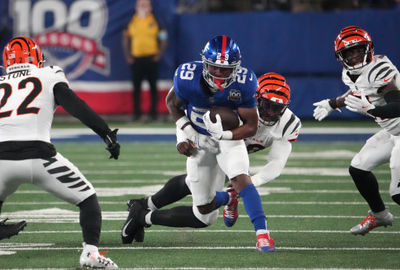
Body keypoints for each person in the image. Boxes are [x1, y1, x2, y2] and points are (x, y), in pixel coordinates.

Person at [122, 35, 277, 252]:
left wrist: (224, 136)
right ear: (205, 63)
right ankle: (143, 216)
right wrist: (187, 135)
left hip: (228, 138)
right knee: (204, 213)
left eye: (226, 69)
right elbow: (172, 105)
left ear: (236, 66)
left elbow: (250, 126)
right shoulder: (187, 76)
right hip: (198, 138)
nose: (220, 74)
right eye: (215, 68)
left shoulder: (244, 81)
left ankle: (263, 235)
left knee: (242, 179)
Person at [122, 72, 300, 242]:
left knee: (201, 192)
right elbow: (194, 114)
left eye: (277, 108)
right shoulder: (236, 102)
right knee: (203, 210)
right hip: (211, 144)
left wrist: (251, 182)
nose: (270, 113)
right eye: (266, 105)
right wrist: (183, 138)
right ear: (255, 97)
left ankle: (143, 207)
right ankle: (142, 214)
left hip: (233, 154)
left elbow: (277, 163)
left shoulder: (288, 124)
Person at [0, 37, 120, 268]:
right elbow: (74, 105)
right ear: (35, 58)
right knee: (88, 200)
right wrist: (105, 133)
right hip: (39, 156)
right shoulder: (49, 74)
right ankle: (91, 253)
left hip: (1, 160)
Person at [313, 26, 400, 235]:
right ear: (340, 57)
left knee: (397, 193)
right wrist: (333, 103)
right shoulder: (350, 73)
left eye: (359, 50)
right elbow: (356, 92)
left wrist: (372, 109)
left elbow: (397, 104)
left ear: (368, 49)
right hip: (393, 132)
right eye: (349, 52)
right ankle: (379, 215)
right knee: (358, 168)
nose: (355, 55)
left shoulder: (380, 70)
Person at [122, 0, 168, 121]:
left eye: (145, 4)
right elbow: (125, 39)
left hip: (151, 58)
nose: (143, 7)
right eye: (141, 5)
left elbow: (164, 38)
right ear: (136, 7)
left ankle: (154, 114)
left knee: (153, 87)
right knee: (136, 88)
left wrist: (159, 54)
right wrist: (128, 55)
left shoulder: (156, 20)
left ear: (150, 7)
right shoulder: (131, 21)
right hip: (136, 59)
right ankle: (137, 114)